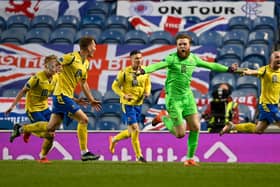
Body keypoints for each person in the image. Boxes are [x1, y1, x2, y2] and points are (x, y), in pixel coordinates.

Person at [137, 33, 238, 166]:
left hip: (188, 97)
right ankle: (163, 118)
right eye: (180, 44)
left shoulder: (193, 59)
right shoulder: (171, 58)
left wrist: (228, 69)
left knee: (196, 127)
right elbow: (157, 66)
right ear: (177, 46)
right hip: (174, 99)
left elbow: (211, 66)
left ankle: (189, 159)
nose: (182, 46)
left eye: (185, 44)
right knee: (180, 134)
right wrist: (145, 70)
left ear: (189, 45)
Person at [10, 36, 102, 161]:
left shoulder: (86, 63)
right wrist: (57, 68)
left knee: (50, 128)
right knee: (84, 119)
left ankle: (21, 128)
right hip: (61, 96)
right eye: (94, 45)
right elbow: (58, 61)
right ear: (87, 47)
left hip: (65, 96)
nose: (95, 48)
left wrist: (91, 100)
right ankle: (84, 152)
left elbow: (83, 83)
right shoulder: (72, 57)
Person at [6, 55, 60, 163]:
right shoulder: (37, 78)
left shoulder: (56, 77)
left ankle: (42, 156)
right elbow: (23, 91)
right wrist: (12, 106)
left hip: (45, 108)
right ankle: (22, 129)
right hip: (33, 109)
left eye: (56, 65)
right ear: (46, 66)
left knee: (52, 132)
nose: (55, 68)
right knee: (47, 131)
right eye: (53, 66)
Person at [220, 51, 280, 135]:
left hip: (274, 104)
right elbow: (253, 72)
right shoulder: (265, 69)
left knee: (258, 130)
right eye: (277, 57)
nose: (279, 59)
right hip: (267, 105)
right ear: (271, 59)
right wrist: (243, 71)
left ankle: (232, 127)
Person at [109, 50, 151, 163]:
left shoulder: (145, 71)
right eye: (136, 58)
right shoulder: (124, 72)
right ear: (131, 60)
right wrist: (123, 95)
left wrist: (147, 92)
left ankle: (114, 140)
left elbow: (148, 84)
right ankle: (139, 156)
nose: (139, 60)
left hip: (139, 104)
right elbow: (115, 86)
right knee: (136, 129)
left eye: (140, 58)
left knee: (130, 132)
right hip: (128, 105)